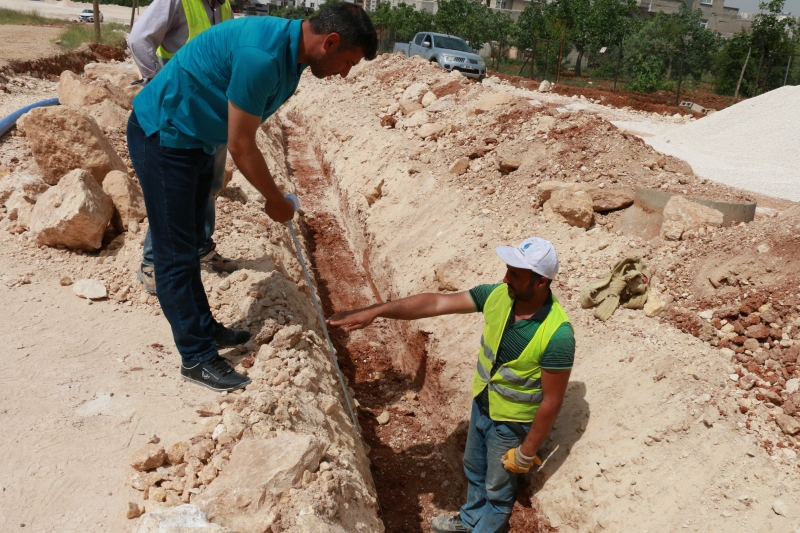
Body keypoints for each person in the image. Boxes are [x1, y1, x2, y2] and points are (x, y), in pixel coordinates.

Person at [127, 5, 377, 392]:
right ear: (329, 42)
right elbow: (242, 146)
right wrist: (275, 201)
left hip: (194, 139)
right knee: (173, 255)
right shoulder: (262, 57)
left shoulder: (291, 57)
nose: (345, 73)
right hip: (164, 136)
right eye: (348, 61)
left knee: (189, 244)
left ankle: (204, 327)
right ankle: (196, 357)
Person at [327, 238, 575, 533]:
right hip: (483, 404)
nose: (505, 278)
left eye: (515, 275)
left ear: (541, 281)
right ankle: (469, 521)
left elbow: (552, 400)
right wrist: (377, 310)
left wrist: (526, 451)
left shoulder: (557, 336)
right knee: (473, 468)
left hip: (511, 425)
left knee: (498, 490)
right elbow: (436, 302)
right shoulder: (498, 296)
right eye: (508, 270)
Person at [128, 0, 237, 294]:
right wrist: (156, 80)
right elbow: (139, 38)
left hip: (211, 106)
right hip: (180, 105)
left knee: (210, 182)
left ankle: (200, 245)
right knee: (174, 188)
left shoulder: (223, 5)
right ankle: (152, 263)